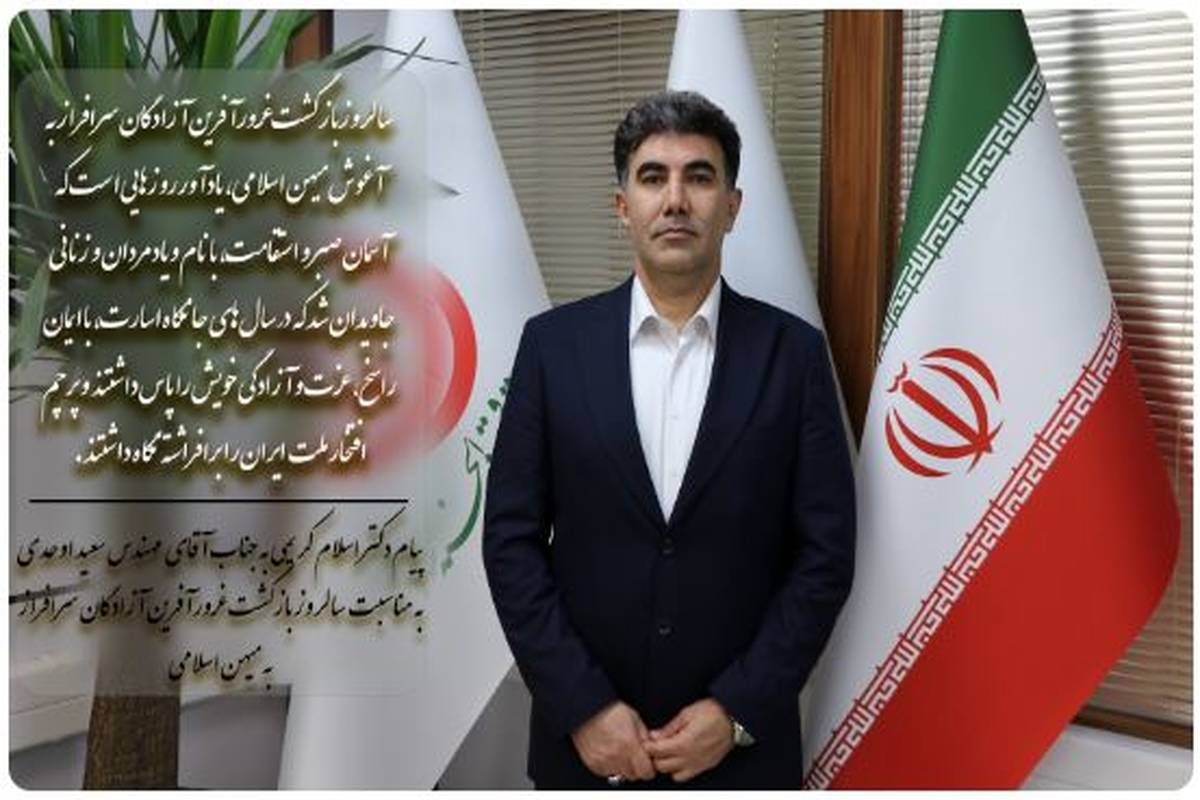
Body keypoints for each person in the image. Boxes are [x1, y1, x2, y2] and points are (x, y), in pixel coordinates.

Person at [482, 90, 855, 789]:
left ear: (732, 207)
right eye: (653, 177)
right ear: (623, 206)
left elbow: (825, 558)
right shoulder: (552, 349)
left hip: (741, 759)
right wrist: (582, 706)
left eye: (699, 177)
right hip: (585, 756)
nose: (676, 200)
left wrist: (738, 711)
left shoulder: (794, 356)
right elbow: (510, 542)